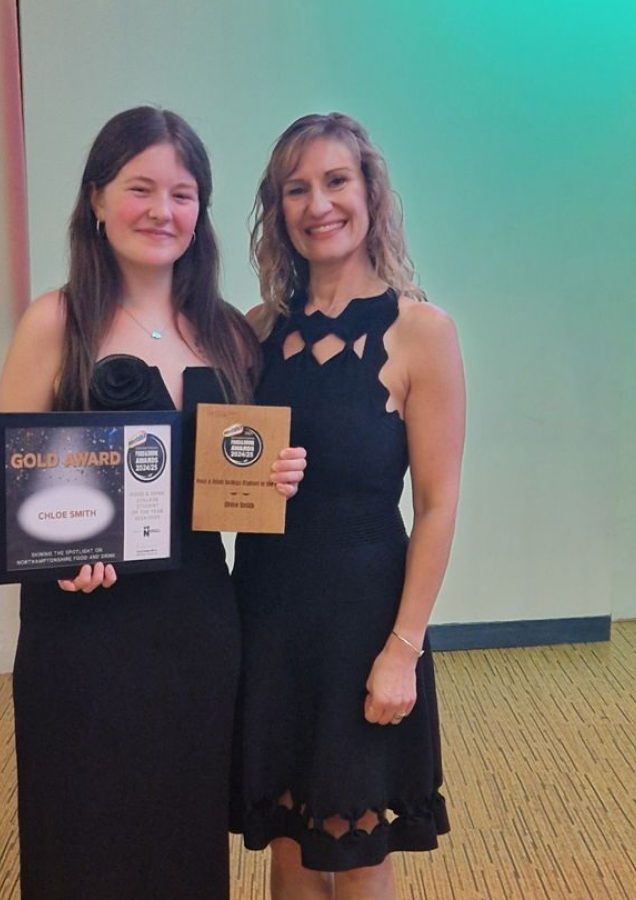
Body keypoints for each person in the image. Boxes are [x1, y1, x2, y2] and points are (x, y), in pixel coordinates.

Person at [0, 106, 299, 900]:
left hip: (196, 628)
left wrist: (277, 477)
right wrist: (60, 564)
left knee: (181, 835)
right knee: (83, 834)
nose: (162, 211)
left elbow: (233, 489)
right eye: (140, 189)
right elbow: (15, 488)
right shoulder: (54, 323)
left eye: (183, 193)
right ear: (96, 199)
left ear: (200, 212)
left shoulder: (229, 334)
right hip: (81, 634)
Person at [231, 112, 465, 900]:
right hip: (268, 614)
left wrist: (404, 648)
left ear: (369, 192)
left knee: (357, 845)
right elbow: (226, 483)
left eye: (335, 180)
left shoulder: (421, 333)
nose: (317, 203)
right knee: (289, 836)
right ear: (277, 208)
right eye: (296, 188)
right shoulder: (255, 332)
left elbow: (437, 503)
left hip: (363, 622)